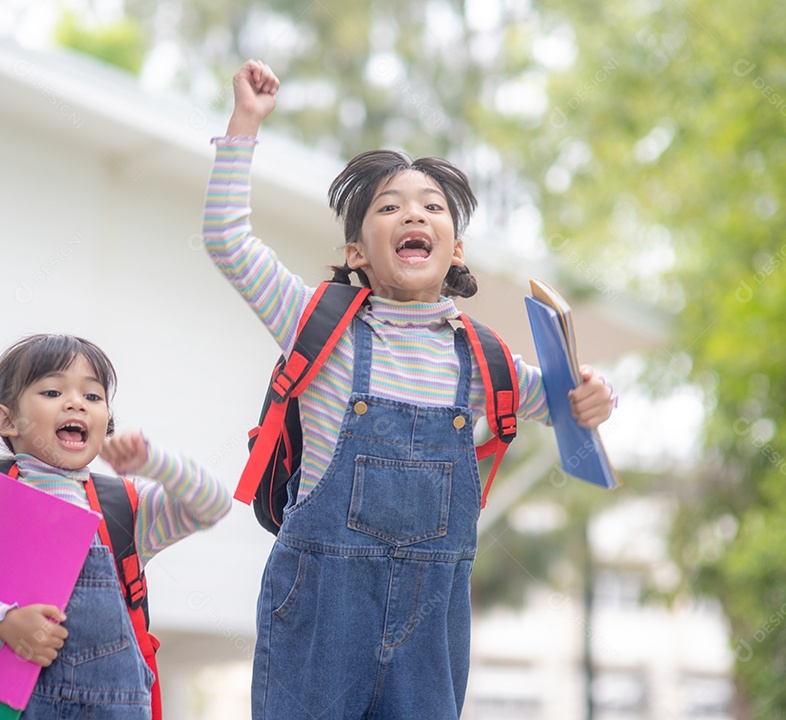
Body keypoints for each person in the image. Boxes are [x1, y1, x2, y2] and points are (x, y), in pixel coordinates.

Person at [203, 60, 617, 719]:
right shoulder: (314, 322)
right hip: (324, 606)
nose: (412, 214)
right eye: (388, 208)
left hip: (431, 620)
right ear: (358, 251)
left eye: (431, 208)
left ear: (456, 251)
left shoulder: (483, 357)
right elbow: (226, 239)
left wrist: (600, 392)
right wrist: (245, 124)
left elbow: (573, 400)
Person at [0, 333, 230, 720]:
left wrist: (155, 462)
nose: (76, 402)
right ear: (8, 419)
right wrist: (2, 621)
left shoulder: (124, 508)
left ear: (106, 420)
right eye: (52, 392)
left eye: (92, 396)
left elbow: (212, 504)